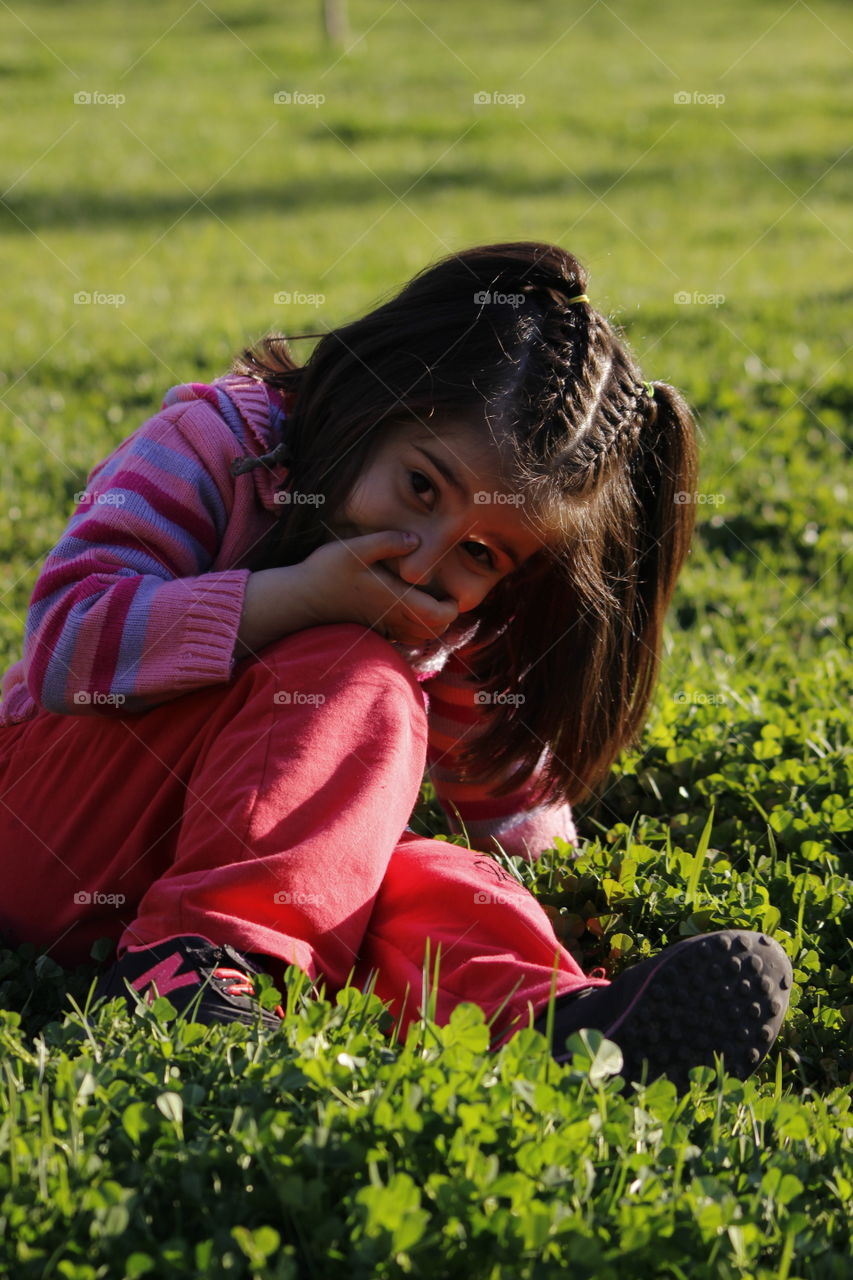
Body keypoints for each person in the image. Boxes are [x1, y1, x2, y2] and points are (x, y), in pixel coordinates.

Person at [0, 241, 791, 1093]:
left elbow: (499, 799)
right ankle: (200, 965)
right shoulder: (216, 445)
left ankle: (558, 1029)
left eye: (482, 551)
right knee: (351, 667)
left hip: (243, 887)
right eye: (421, 485)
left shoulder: (458, 613)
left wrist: (563, 893)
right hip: (50, 830)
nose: (421, 561)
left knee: (396, 870)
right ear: (372, 406)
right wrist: (299, 596)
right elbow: (65, 650)